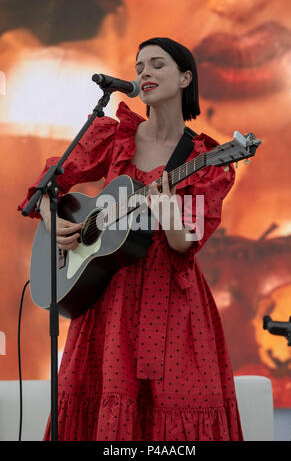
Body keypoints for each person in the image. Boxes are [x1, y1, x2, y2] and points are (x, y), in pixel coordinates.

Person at [18, 37, 243, 441]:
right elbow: (48, 185)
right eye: (140, 67)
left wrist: (168, 211)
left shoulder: (205, 159)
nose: (144, 73)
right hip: (108, 296)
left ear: (185, 77)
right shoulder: (116, 135)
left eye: (157, 65)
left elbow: (183, 245)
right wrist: (54, 220)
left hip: (170, 299)